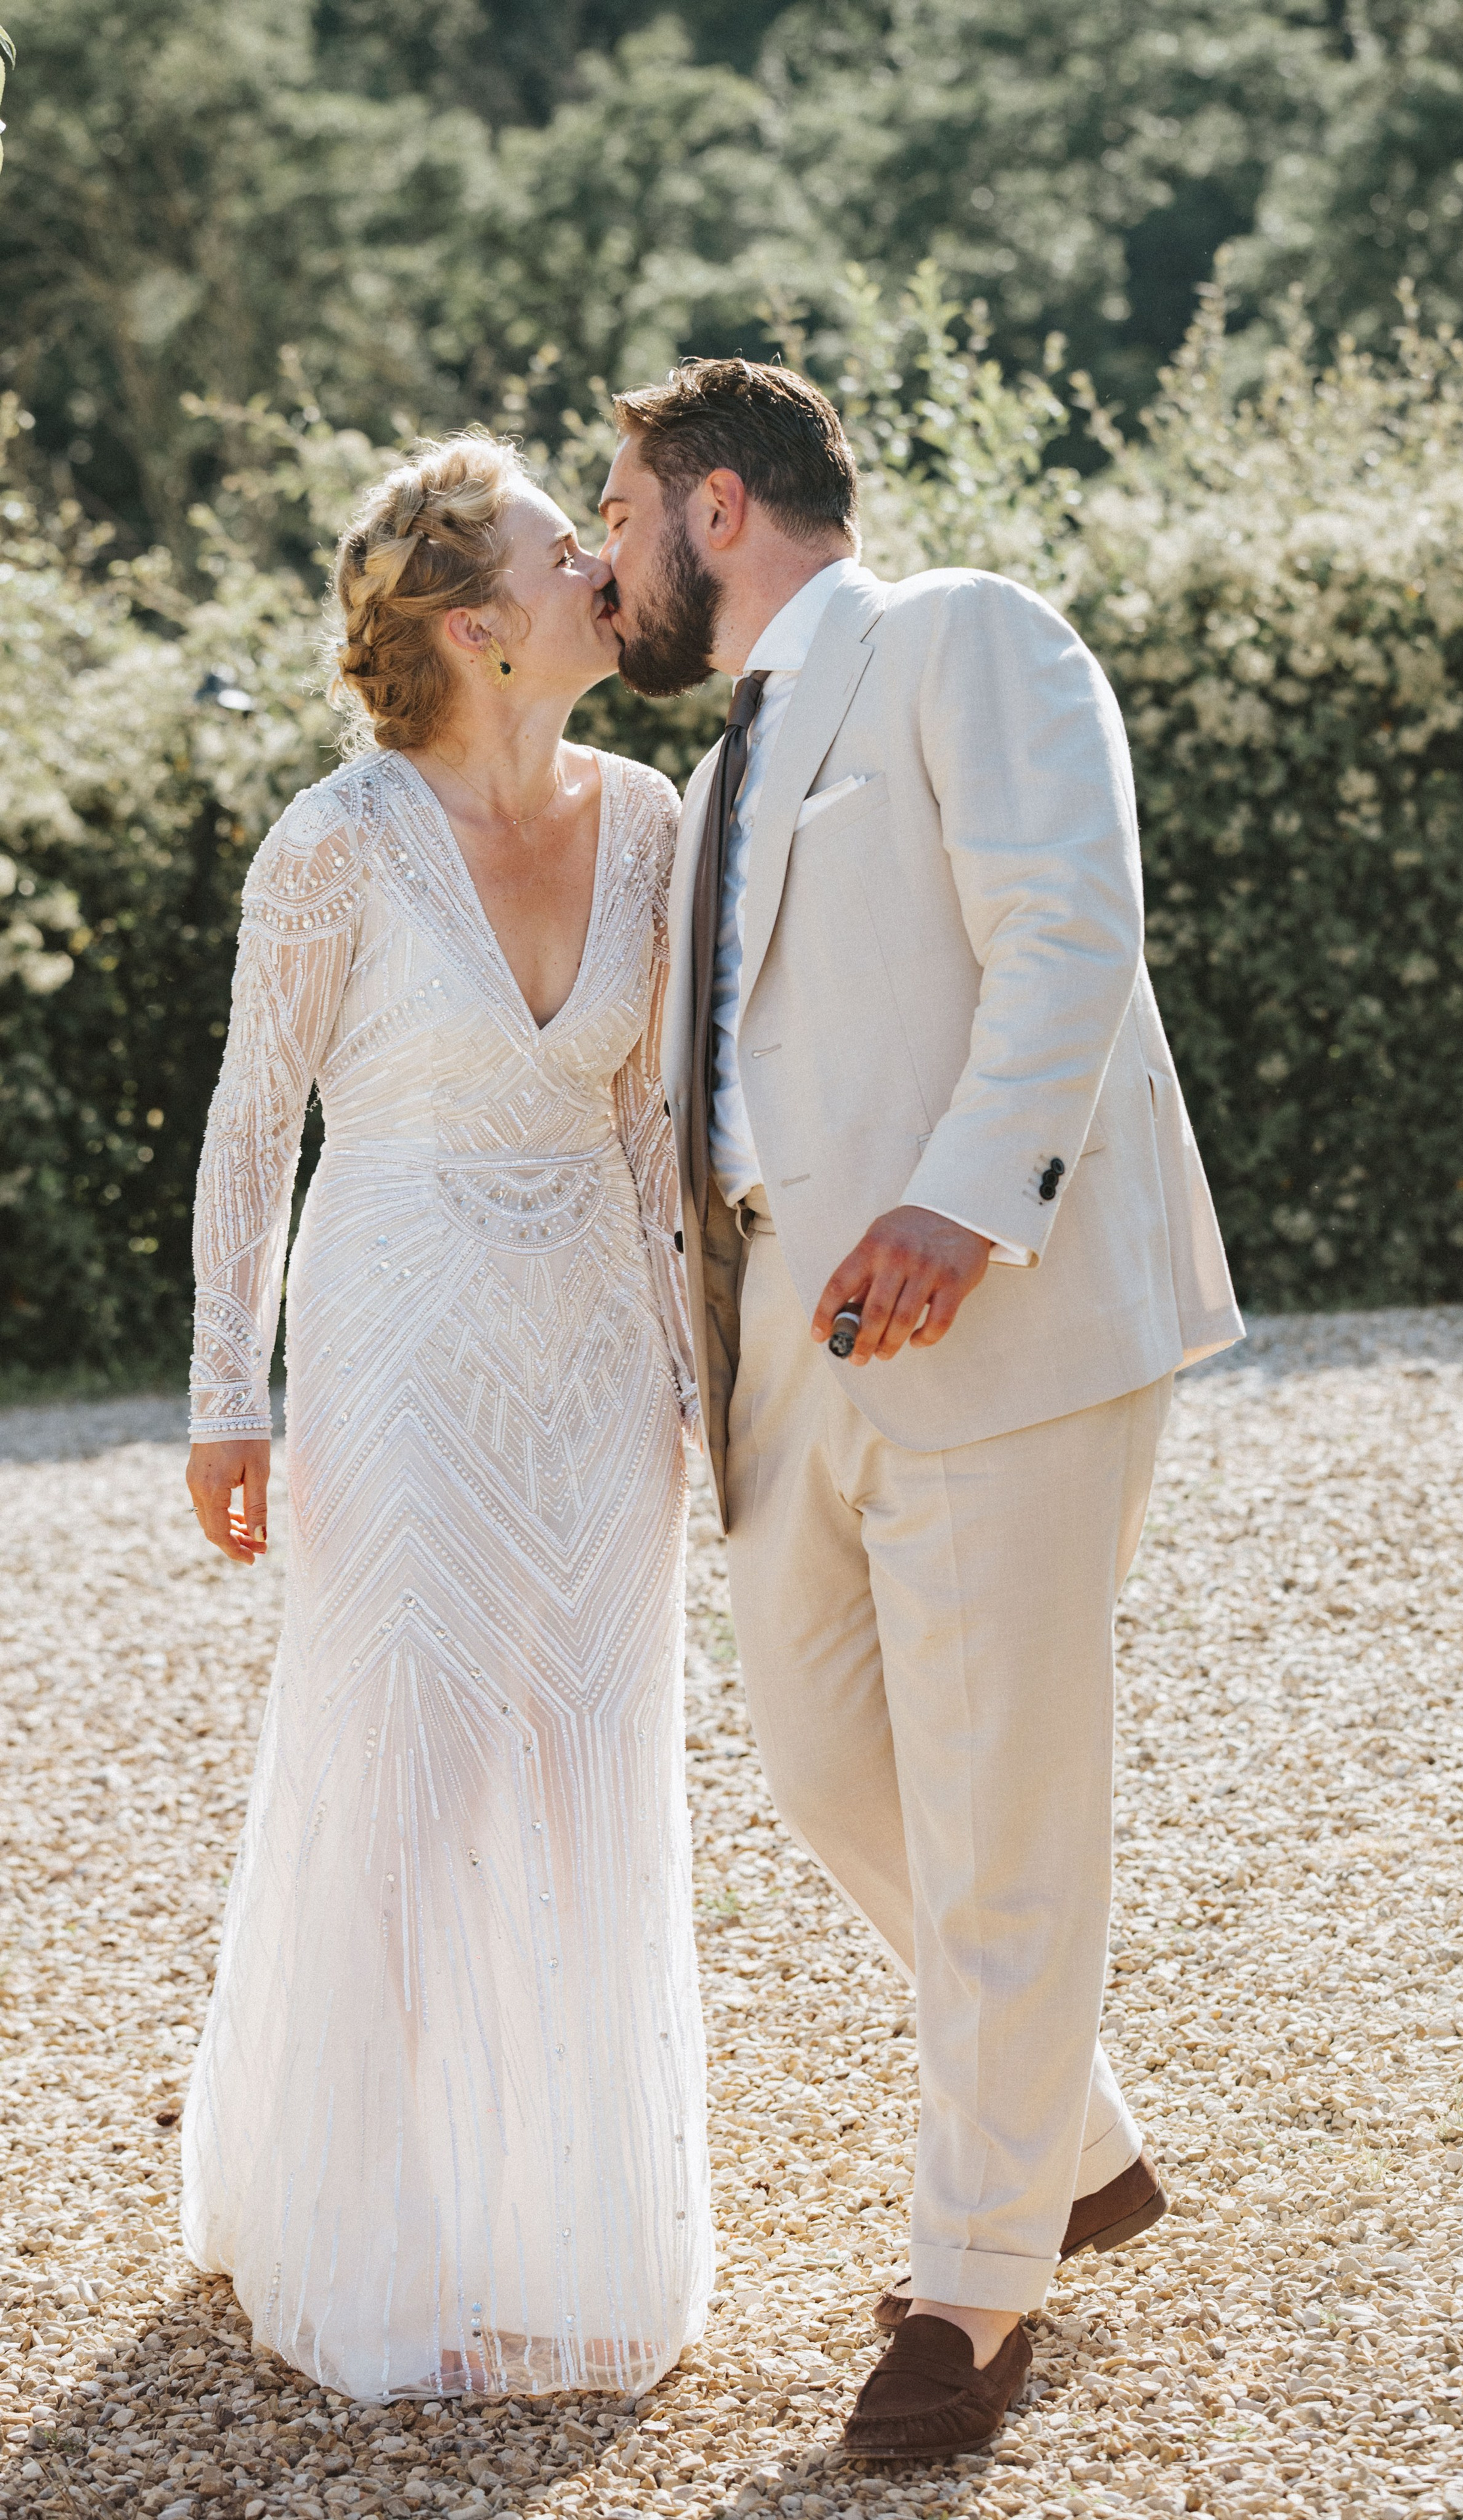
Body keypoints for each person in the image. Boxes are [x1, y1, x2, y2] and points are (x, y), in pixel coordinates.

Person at [598, 360, 1243, 2460]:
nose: (606, 560)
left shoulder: (967, 635)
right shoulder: (716, 780)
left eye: (616, 513)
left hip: (991, 1311)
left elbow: (1070, 925)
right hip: (785, 1340)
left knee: (1001, 1805)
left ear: (713, 505)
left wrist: (967, 1202)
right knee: (824, 1769)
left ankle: (973, 2291)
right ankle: (1079, 2145)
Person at [181, 432, 708, 2403]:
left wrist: (697, 1381)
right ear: (481, 627)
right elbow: (253, 1131)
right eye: (568, 549)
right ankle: (367, 2230)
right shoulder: (336, 841)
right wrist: (229, 1397)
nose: (605, 565)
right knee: (409, 1761)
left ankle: (568, 2225)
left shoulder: (649, 818)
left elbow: (655, 1133)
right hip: (397, 1337)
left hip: (595, 1352)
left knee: (588, 1756)